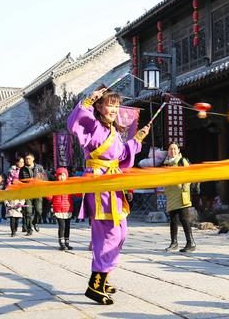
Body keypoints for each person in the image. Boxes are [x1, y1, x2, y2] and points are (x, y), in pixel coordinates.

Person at [67, 85, 149, 305]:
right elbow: (75, 124)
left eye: (115, 105)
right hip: (99, 183)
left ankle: (104, 278)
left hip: (112, 184)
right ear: (100, 107)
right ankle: (95, 283)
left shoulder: (113, 131)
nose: (113, 109)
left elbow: (121, 155)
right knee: (109, 234)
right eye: (109, 104)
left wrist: (138, 139)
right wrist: (88, 100)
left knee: (120, 232)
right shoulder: (94, 126)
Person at [162, 143, 195, 253]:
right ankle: (174, 243)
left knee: (184, 219)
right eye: (170, 149)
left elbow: (189, 176)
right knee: (173, 220)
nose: (172, 151)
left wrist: (184, 189)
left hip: (181, 195)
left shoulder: (182, 162)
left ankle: (191, 243)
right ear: (168, 151)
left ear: (178, 150)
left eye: (175, 149)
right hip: (171, 195)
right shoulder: (166, 164)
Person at [45, 167, 74, 250]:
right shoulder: (54, 186)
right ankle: (61, 243)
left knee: (67, 226)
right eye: (59, 175)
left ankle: (67, 242)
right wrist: (46, 192)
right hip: (58, 209)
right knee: (62, 226)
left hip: (68, 208)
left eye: (63, 175)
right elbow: (50, 198)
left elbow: (76, 194)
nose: (61, 177)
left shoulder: (70, 186)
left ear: (66, 176)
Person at [18, 153, 47, 235]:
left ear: (33, 159)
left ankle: (35, 222)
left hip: (38, 191)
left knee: (39, 210)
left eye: (29, 158)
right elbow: (20, 181)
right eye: (26, 159)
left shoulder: (39, 168)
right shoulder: (22, 169)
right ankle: (29, 229)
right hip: (27, 193)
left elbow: (44, 178)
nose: (27, 160)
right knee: (28, 211)